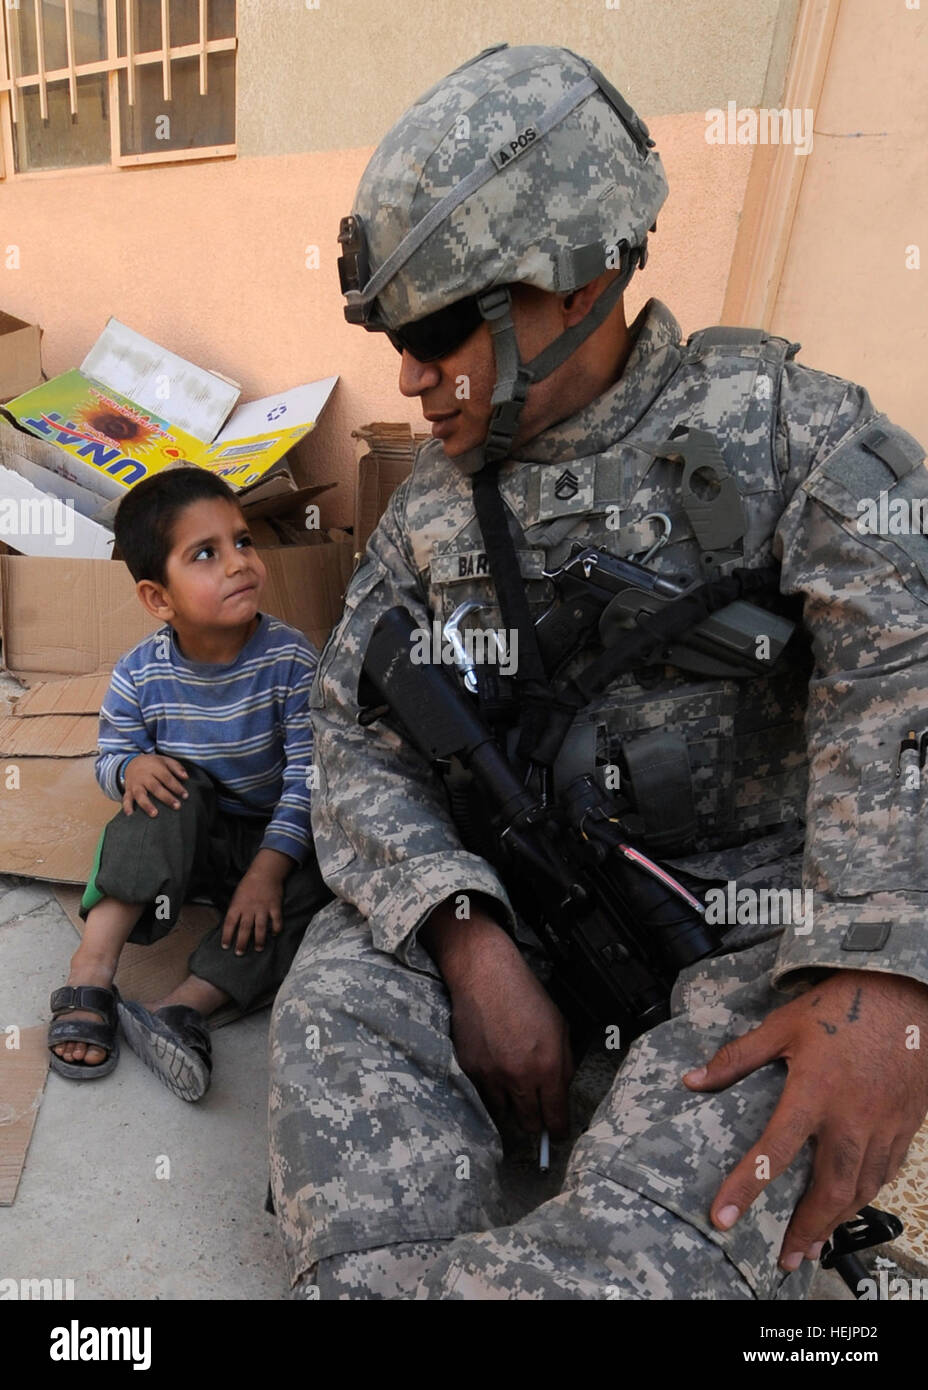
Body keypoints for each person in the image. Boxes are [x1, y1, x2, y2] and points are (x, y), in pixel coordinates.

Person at [268, 43, 928, 1298]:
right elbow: (353, 740)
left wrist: (880, 974)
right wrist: (465, 935)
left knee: (647, 1252)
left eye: (438, 328)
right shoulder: (427, 515)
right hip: (518, 902)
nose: (410, 375)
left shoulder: (790, 435)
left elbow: (908, 677)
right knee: (338, 992)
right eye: (391, 335)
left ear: (575, 281)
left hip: (743, 951)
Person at [48, 467, 331, 1100]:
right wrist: (129, 768)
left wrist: (268, 872)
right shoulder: (140, 674)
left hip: (267, 840)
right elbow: (111, 754)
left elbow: (306, 778)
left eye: (242, 541)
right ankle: (91, 970)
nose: (238, 564)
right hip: (184, 846)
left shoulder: (290, 661)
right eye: (205, 553)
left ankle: (182, 1008)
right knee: (162, 790)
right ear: (158, 598)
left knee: (329, 881)